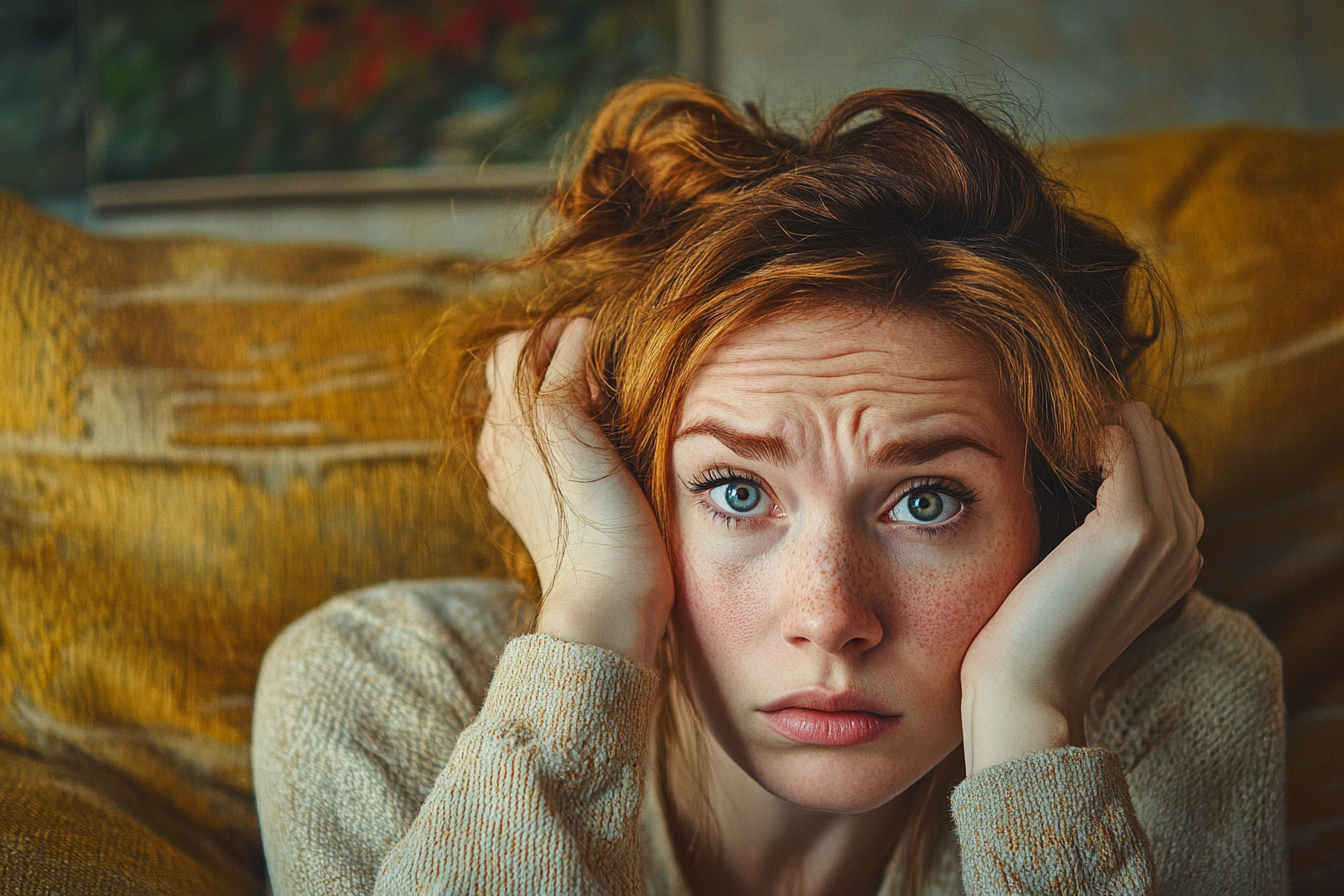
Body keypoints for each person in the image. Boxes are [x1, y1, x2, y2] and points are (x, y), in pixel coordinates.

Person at [251, 79, 1287, 895]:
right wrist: (595, 615)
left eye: (926, 498)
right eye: (737, 489)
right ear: (616, 482)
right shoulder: (380, 694)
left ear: (1058, 516)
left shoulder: (1172, 702)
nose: (831, 617)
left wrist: (1026, 723)